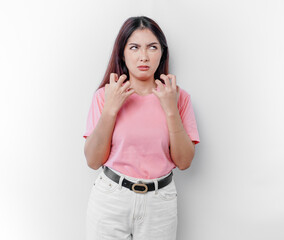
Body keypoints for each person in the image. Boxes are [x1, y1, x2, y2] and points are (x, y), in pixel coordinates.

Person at [83, 16, 200, 240]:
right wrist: (110, 110)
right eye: (134, 47)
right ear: (123, 53)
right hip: (111, 199)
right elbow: (93, 161)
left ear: (162, 53)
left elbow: (184, 162)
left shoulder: (178, 97)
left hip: (160, 203)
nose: (144, 56)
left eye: (152, 47)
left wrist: (170, 110)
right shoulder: (106, 95)